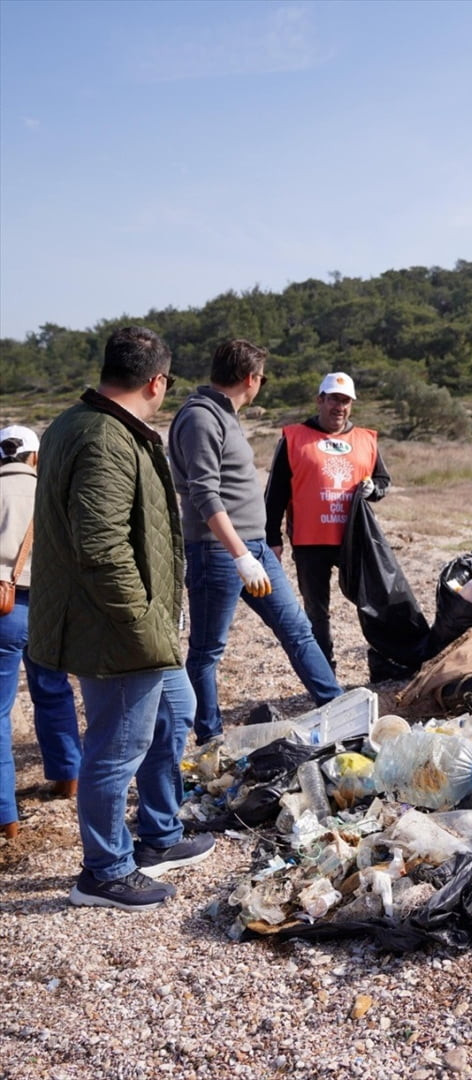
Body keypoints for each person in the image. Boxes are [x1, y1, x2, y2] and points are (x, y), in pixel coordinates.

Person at [29, 327, 213, 909]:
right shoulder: (104, 438)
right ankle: (104, 871)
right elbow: (102, 548)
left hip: (134, 622)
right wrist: (142, 624)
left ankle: (158, 835)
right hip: (114, 627)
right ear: (157, 381)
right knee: (115, 747)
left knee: (176, 713)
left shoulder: (78, 424)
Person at [169, 340, 342, 746]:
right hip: (219, 552)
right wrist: (241, 555)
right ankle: (210, 737)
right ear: (251, 378)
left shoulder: (224, 415)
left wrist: (255, 549)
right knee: (207, 651)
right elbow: (205, 493)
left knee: (297, 629)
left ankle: (335, 706)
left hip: (253, 548)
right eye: (262, 378)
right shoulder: (200, 418)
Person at [264, 372, 391, 669]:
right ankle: (324, 670)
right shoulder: (294, 438)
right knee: (316, 611)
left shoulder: (366, 440)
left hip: (354, 538)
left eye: (346, 401)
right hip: (310, 540)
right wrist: (272, 539)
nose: (340, 407)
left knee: (371, 602)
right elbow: (276, 494)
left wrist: (376, 490)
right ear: (320, 399)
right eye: (334, 399)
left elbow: (383, 479)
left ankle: (383, 661)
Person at [0, 426, 81, 839]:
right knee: (53, 691)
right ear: (35, 457)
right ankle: (69, 779)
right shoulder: (50, 490)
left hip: (2, 607)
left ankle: (6, 817)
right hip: (46, 606)